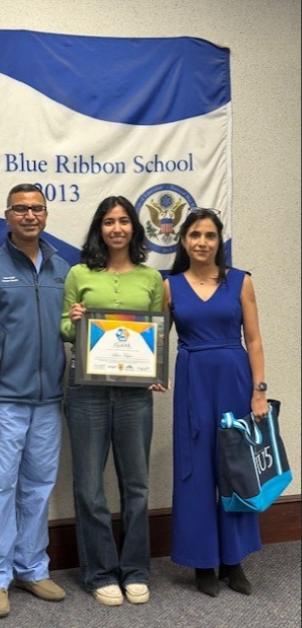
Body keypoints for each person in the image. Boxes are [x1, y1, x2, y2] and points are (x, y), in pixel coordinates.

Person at [0, 183, 69, 618]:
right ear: (7, 215)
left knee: (39, 488)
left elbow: (70, 330)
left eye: (36, 208)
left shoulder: (63, 268)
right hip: (1, 402)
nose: (29, 215)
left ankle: (32, 567)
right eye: (20, 209)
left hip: (48, 402)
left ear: (46, 215)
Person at [60, 195, 164, 606]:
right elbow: (64, 328)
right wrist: (77, 320)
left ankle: (136, 569)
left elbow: (159, 332)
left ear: (134, 228)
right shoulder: (78, 273)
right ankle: (100, 571)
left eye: (124, 221)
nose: (116, 228)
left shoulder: (151, 279)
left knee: (136, 485)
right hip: (86, 393)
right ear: (99, 229)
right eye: (108, 222)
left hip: (135, 395)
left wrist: (156, 372)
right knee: (89, 487)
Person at [163, 207, 269, 598]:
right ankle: (203, 562)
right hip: (193, 386)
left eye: (209, 235)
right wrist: (153, 375)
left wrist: (259, 391)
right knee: (196, 471)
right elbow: (155, 340)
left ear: (218, 241)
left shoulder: (241, 282)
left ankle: (234, 560)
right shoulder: (170, 286)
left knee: (235, 471)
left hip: (234, 382)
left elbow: (254, 340)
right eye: (195, 235)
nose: (202, 242)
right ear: (184, 241)